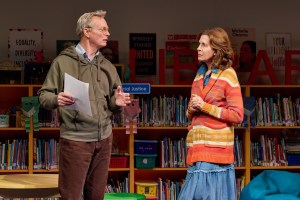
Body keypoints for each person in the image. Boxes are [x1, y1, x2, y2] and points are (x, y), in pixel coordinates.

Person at [38, 10, 131, 200]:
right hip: (76, 140)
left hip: (104, 139)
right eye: (103, 29)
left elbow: (113, 102)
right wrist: (56, 99)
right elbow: (43, 96)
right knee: (71, 195)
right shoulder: (62, 62)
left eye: (108, 29)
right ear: (87, 32)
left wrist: (118, 102)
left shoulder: (107, 66)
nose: (108, 33)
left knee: (96, 196)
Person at [178, 27, 244, 200]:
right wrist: (190, 110)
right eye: (198, 44)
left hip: (215, 153)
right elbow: (191, 113)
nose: (198, 48)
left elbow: (237, 115)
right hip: (196, 149)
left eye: (203, 45)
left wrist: (205, 106)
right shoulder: (198, 77)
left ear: (216, 50)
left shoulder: (228, 75)